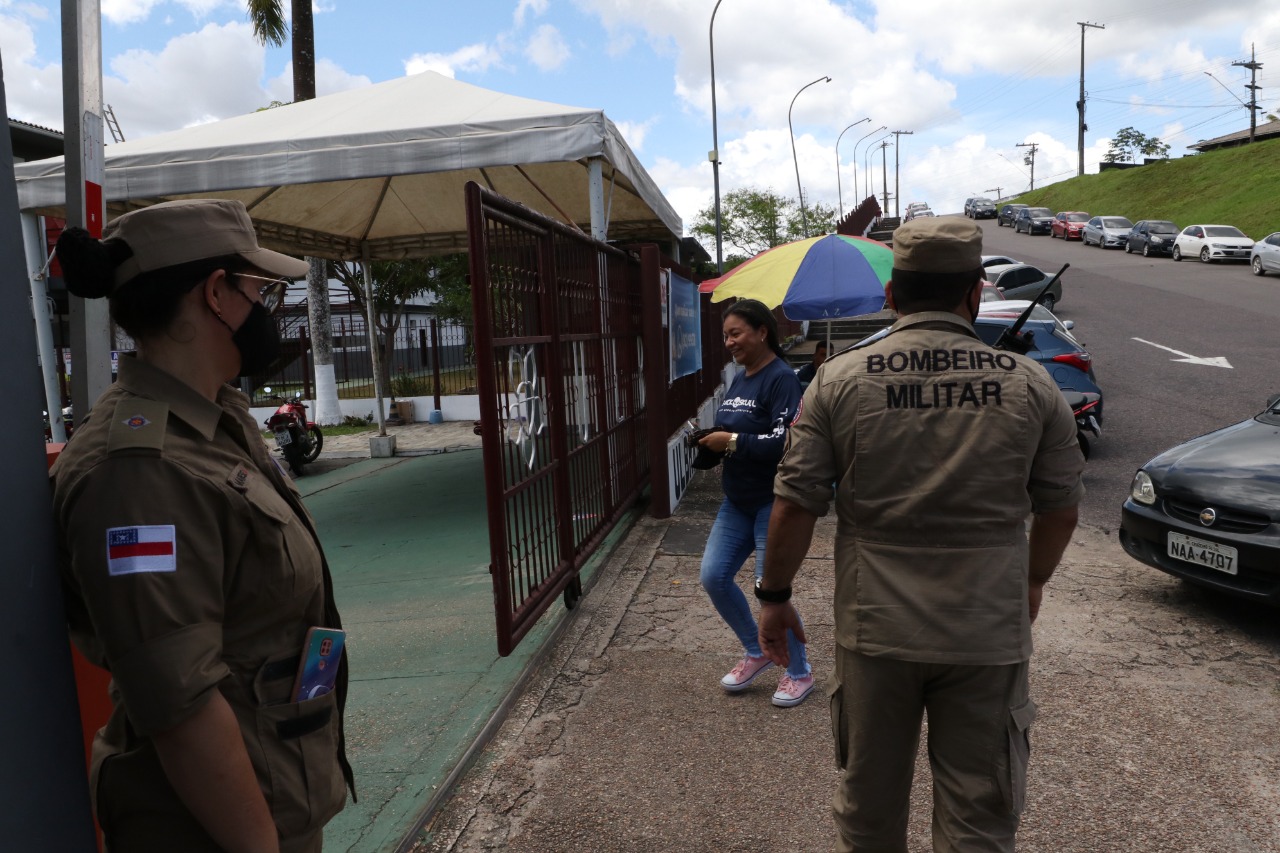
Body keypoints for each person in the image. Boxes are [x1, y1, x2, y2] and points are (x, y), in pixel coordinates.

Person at [758, 217, 1084, 851]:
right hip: (987, 626)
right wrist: (1033, 581)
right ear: (974, 294)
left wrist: (774, 595)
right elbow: (1061, 507)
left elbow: (795, 504)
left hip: (876, 627)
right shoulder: (1030, 384)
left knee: (869, 808)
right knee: (979, 812)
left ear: (891, 296)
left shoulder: (839, 380)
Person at [50, 198, 353, 853]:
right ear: (215, 294)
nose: (266, 311)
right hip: (211, 829)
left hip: (275, 787)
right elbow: (178, 702)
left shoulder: (220, 419)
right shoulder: (136, 470)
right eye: (257, 290)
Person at [697, 298, 814, 708]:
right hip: (737, 500)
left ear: (762, 332)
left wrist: (730, 441)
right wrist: (714, 441)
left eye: (736, 333)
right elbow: (739, 428)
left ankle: (799, 673)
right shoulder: (741, 377)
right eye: (726, 335)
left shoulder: (781, 378)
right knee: (714, 576)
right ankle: (757, 649)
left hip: (772, 502)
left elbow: (785, 441)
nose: (729, 342)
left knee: (771, 591)